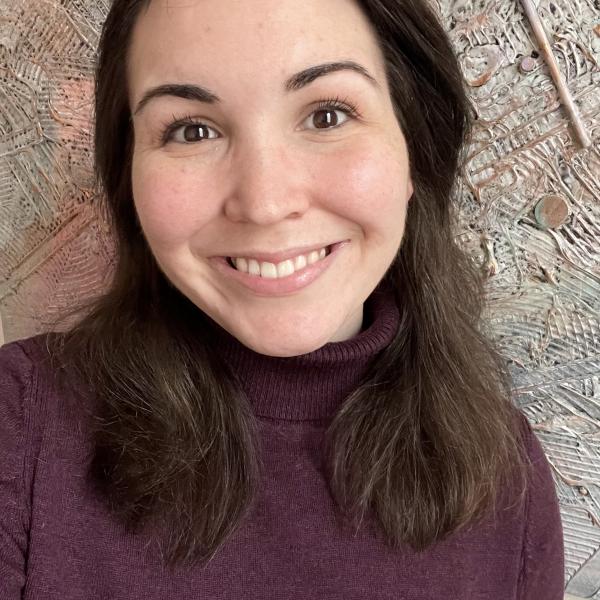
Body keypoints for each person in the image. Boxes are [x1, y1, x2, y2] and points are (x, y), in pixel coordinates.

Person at [0, 0, 565, 598]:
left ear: (414, 151)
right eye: (192, 130)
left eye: (327, 115)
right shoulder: (19, 428)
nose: (265, 202)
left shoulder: (507, 476)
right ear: (130, 176)